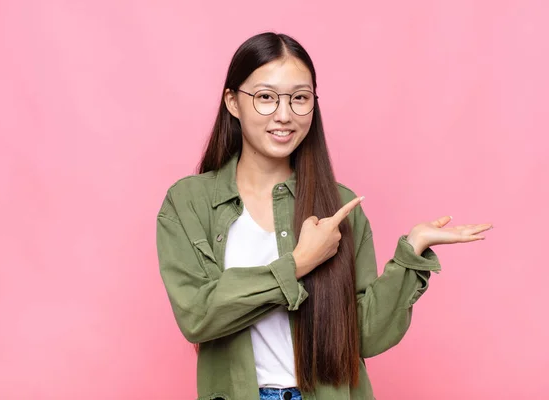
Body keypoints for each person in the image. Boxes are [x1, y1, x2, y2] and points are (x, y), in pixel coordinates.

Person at [156, 32, 492, 400]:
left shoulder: (339, 207)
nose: (284, 115)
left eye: (300, 98)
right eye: (266, 97)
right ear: (233, 102)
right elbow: (198, 316)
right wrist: (297, 264)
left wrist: (411, 254)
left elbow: (365, 336)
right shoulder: (188, 202)